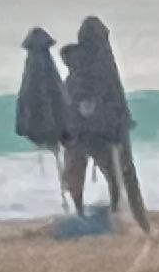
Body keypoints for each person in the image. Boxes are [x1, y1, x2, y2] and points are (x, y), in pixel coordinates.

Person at [60, 15, 149, 233]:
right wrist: (118, 126)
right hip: (103, 133)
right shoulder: (104, 65)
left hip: (77, 132)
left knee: (76, 176)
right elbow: (112, 97)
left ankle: (80, 213)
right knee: (120, 176)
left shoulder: (77, 65)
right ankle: (129, 216)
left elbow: (70, 96)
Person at [14, 29, 68, 198]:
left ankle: (67, 195)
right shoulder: (49, 69)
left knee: (60, 159)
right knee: (62, 158)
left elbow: (26, 96)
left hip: (42, 124)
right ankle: (69, 195)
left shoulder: (31, 69)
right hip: (58, 123)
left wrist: (22, 124)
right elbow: (58, 95)